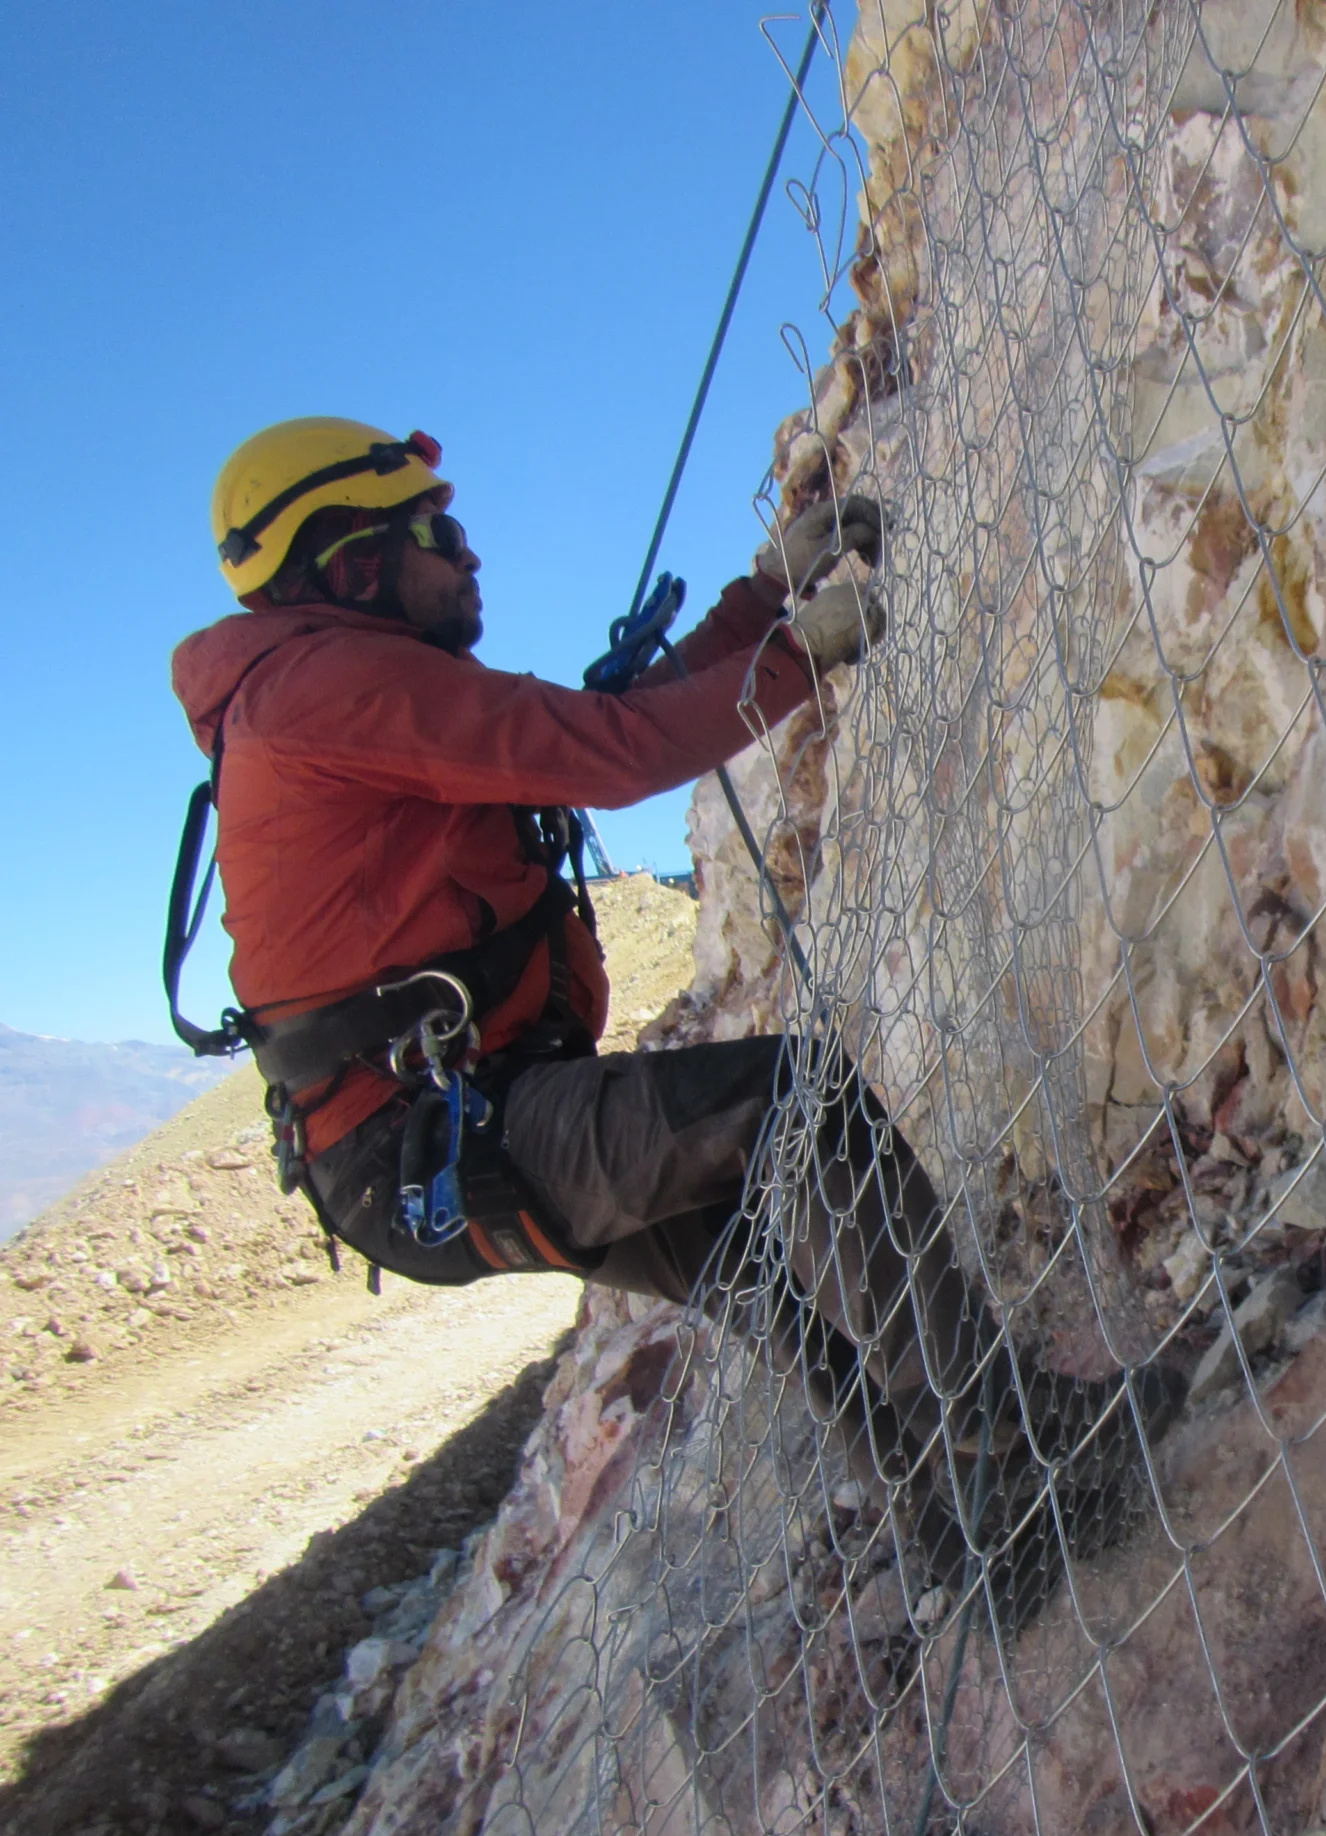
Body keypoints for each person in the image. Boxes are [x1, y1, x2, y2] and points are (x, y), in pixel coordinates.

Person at [170, 417, 1174, 1618]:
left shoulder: (321, 695)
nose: (468, 553)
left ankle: (968, 1537)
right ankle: (1009, 1433)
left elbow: (596, 721)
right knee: (795, 1103)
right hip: (448, 1134)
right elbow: (613, 751)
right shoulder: (327, 689)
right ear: (349, 560)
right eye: (434, 531)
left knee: (761, 1265)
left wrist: (760, 604)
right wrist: (793, 659)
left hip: (426, 1151)